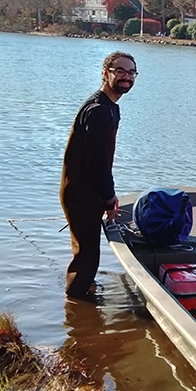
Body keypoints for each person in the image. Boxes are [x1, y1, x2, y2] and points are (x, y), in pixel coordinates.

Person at [60, 51, 137, 301]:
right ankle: (76, 307)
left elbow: (101, 160)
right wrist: (108, 196)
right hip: (81, 192)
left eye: (131, 72)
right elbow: (95, 162)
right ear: (105, 73)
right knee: (87, 256)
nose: (126, 77)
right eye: (120, 71)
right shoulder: (97, 110)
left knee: (88, 254)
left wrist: (106, 194)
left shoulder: (110, 108)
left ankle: (80, 295)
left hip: (89, 190)